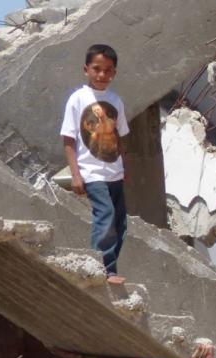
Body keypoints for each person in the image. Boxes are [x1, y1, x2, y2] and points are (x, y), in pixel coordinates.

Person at [60, 44, 130, 284]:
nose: (102, 74)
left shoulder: (115, 101)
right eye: (97, 69)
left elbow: (120, 136)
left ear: (114, 73)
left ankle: (111, 268)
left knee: (120, 222)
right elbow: (68, 139)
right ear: (86, 69)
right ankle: (102, 268)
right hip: (91, 173)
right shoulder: (78, 99)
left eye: (108, 70)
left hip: (114, 172)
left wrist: (125, 167)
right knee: (105, 215)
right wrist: (75, 175)